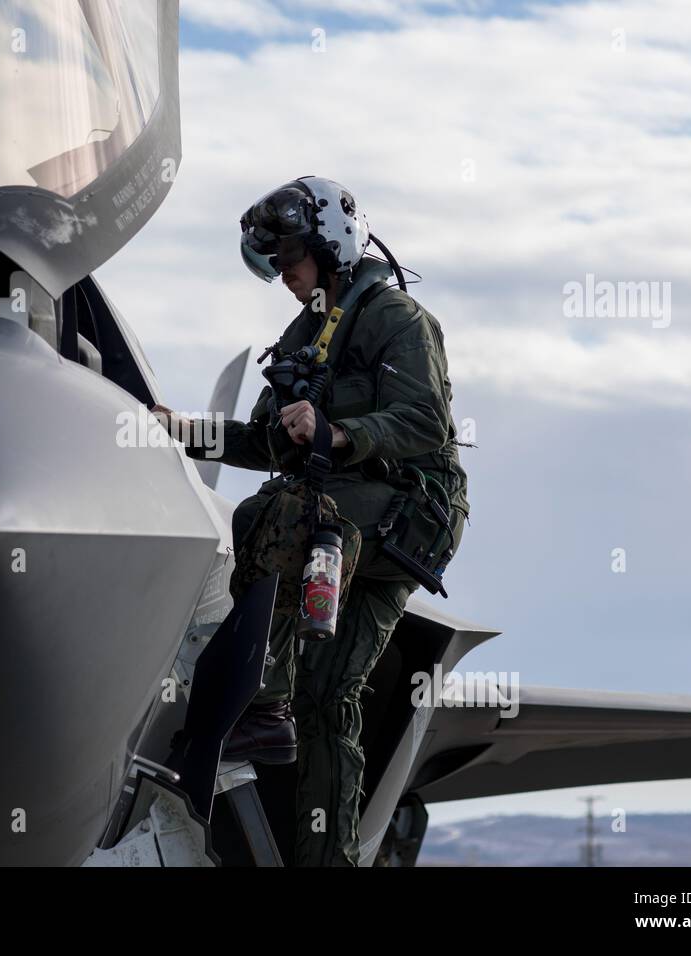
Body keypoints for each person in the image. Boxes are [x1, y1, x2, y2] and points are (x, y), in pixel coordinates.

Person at [156, 176, 469, 866]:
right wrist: (183, 431)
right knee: (327, 699)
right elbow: (270, 444)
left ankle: (257, 709)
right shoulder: (303, 333)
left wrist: (339, 434)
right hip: (338, 527)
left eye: (291, 262)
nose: (286, 278)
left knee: (271, 511)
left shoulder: (395, 320)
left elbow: (422, 423)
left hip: (406, 511)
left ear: (329, 245)